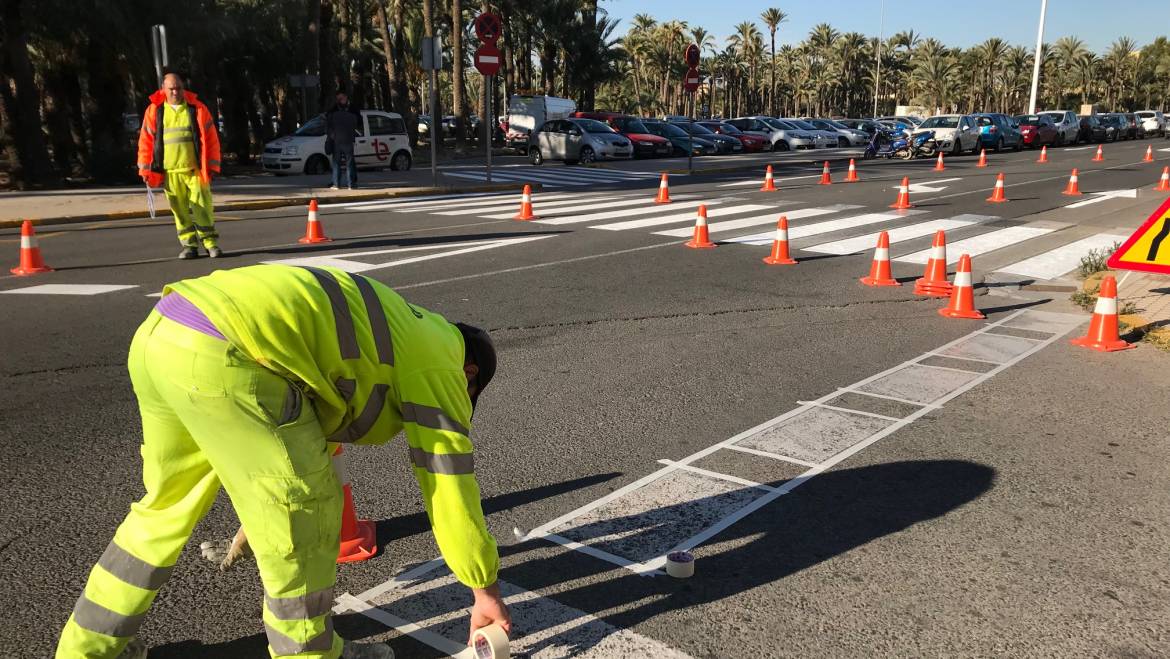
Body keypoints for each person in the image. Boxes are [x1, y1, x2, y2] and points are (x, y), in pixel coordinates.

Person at [55, 264, 511, 659]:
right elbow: (449, 487)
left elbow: (310, 424)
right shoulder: (442, 363)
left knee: (164, 506)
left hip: (166, 330)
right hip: (229, 353)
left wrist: (258, 508)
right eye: (468, 397)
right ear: (470, 373)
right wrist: (484, 589)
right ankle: (309, 652)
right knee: (306, 513)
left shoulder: (403, 329)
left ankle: (90, 647)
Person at [137, 72, 224, 260]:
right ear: (164, 89)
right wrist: (145, 170)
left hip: (195, 171)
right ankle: (189, 246)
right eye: (171, 89)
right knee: (180, 211)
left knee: (203, 207)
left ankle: (211, 244)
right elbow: (146, 142)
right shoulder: (155, 111)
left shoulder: (197, 109)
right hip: (170, 172)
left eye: (178, 88)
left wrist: (212, 166)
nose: (175, 92)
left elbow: (211, 139)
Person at [326, 92, 361, 190]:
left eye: (340, 99)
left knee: (336, 162)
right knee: (349, 163)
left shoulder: (333, 114)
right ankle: (351, 184)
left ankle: (337, 184)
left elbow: (328, 123)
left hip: (337, 140)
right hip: (349, 140)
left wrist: (332, 135)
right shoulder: (352, 115)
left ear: (345, 97)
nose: (339, 101)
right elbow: (357, 124)